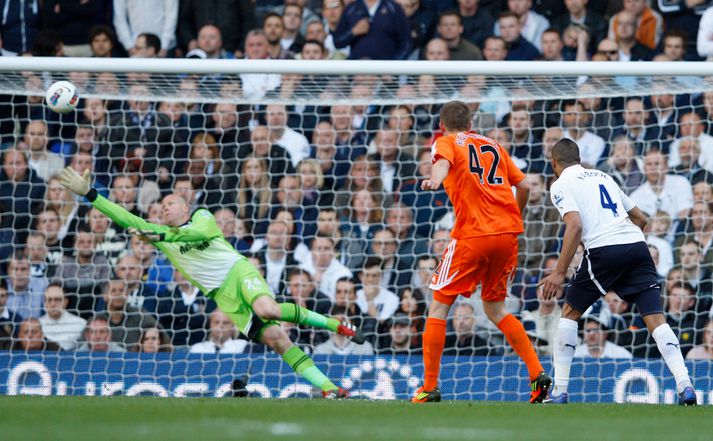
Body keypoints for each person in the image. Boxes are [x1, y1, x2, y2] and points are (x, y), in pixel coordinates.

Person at [59, 166, 362, 398]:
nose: (165, 207)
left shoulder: (201, 216)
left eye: (171, 203)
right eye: (162, 206)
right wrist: (89, 194)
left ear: (186, 208)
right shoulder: (159, 234)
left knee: (268, 309)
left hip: (238, 272)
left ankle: (337, 325)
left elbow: (199, 235)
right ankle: (330, 388)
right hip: (223, 296)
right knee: (278, 341)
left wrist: (161, 235)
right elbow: (122, 216)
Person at [538, 137, 697, 406]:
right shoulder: (604, 176)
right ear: (579, 158)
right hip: (637, 245)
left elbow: (574, 226)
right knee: (656, 320)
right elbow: (642, 219)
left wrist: (558, 272)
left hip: (604, 249)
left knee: (569, 314)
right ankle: (685, 385)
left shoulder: (561, 183)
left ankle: (560, 391)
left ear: (554, 163)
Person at [412, 101, 551, 404]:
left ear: (441, 124)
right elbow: (525, 185)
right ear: (471, 123)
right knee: (495, 308)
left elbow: (442, 163)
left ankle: (429, 387)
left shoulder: (445, 142)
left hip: (473, 235)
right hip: (507, 236)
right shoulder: (493, 144)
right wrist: (516, 216)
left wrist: (435, 179)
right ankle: (537, 374)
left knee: (438, 307)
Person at [38, 283, 86, 350]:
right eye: (49, 299)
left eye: (57, 299)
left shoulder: (81, 324)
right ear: (44, 303)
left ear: (66, 302)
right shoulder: (37, 325)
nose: (53, 304)